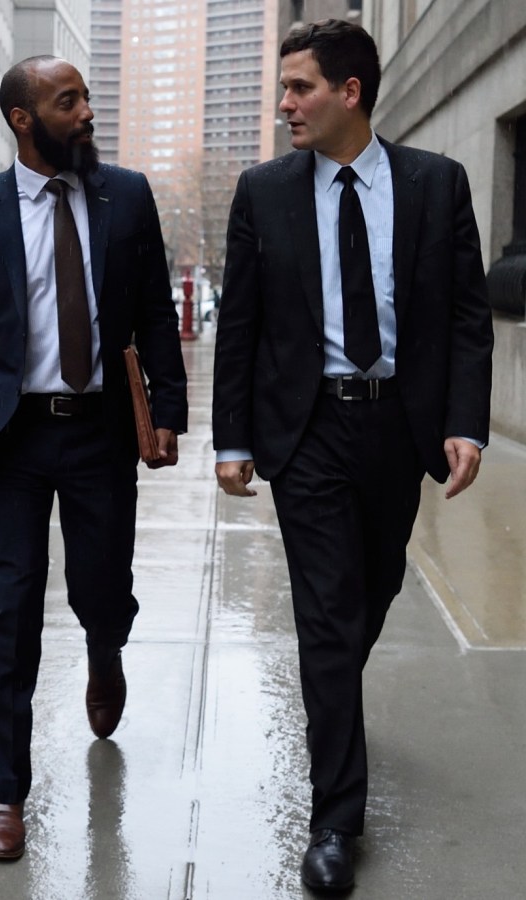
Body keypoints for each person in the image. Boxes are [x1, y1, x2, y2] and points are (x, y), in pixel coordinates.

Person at [212, 19, 492, 893]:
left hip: (396, 427)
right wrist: (233, 439)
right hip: (309, 430)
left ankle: (334, 699)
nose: (284, 104)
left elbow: (465, 317)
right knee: (327, 618)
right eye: (284, 88)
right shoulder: (264, 191)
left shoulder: (437, 185)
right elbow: (244, 327)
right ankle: (335, 817)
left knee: (371, 593)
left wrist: (465, 421)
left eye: (299, 88)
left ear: (350, 92)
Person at [0, 55, 188, 860]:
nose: (85, 113)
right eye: (66, 101)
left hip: (99, 432)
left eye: (85, 98)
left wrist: (170, 414)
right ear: (21, 118)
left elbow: (152, 313)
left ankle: (105, 650)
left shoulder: (127, 196)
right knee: (10, 606)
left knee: (101, 585)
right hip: (11, 437)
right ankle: (3, 787)